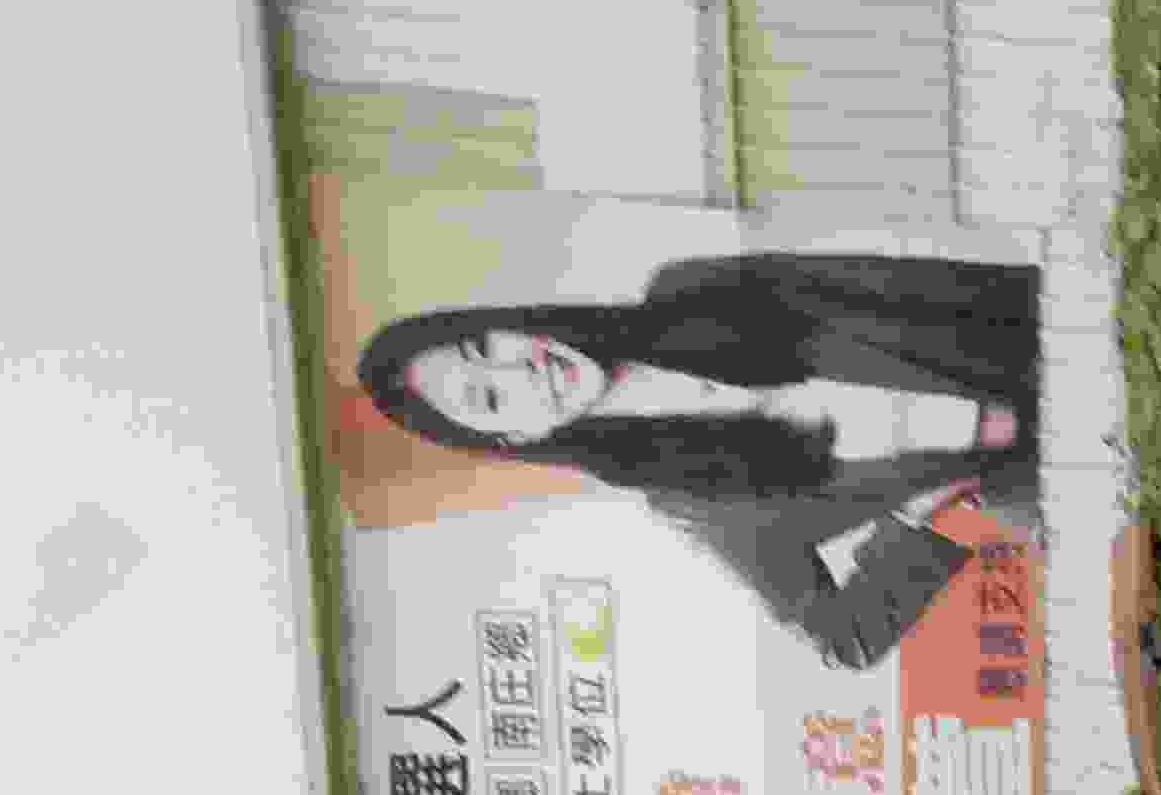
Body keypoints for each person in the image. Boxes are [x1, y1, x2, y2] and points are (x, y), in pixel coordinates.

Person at [354, 251, 1042, 669]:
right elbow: (845, 638)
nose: (520, 370)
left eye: (483, 347)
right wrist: (929, 513)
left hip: (1042, 348)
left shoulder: (691, 290)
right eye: (488, 398)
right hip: (1040, 479)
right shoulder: (692, 496)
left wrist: (1059, 298)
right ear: (509, 439)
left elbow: (900, 284)